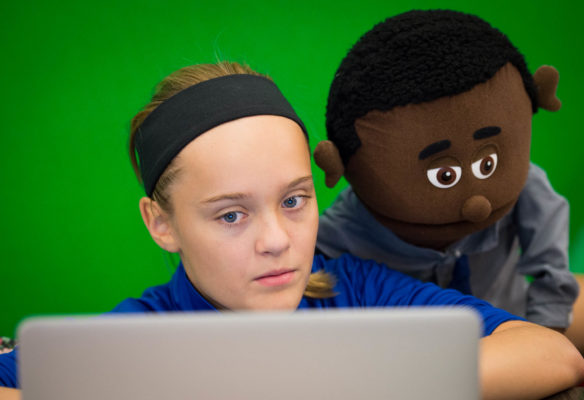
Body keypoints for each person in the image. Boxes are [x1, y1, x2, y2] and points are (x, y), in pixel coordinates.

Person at [1, 61, 583, 400]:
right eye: (231, 214)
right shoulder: (129, 343)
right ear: (162, 225)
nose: (277, 240)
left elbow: (550, 356)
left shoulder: (358, 292)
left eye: (294, 200)